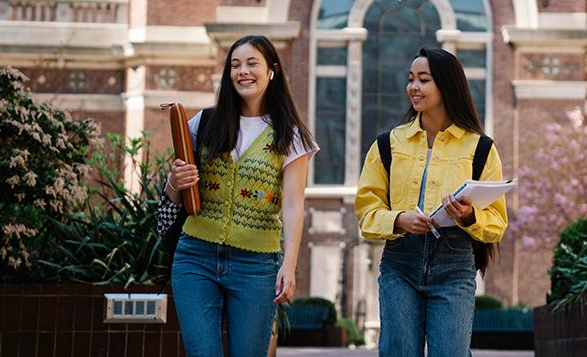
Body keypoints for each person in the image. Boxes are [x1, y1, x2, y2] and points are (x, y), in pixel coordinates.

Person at [165, 35, 318, 357]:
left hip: (256, 264)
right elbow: (174, 193)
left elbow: (292, 206)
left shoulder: (290, 135)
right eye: (235, 65)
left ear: (272, 71)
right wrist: (173, 181)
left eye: (252, 64)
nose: (243, 72)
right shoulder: (202, 122)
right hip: (196, 256)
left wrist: (288, 265)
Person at [355, 47, 508, 357]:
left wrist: (468, 217)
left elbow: (497, 224)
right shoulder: (388, 144)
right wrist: (399, 220)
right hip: (400, 263)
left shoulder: (480, 148)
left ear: (447, 85)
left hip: (455, 266)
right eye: (411, 79)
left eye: (423, 80)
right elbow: (367, 212)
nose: (414, 87)